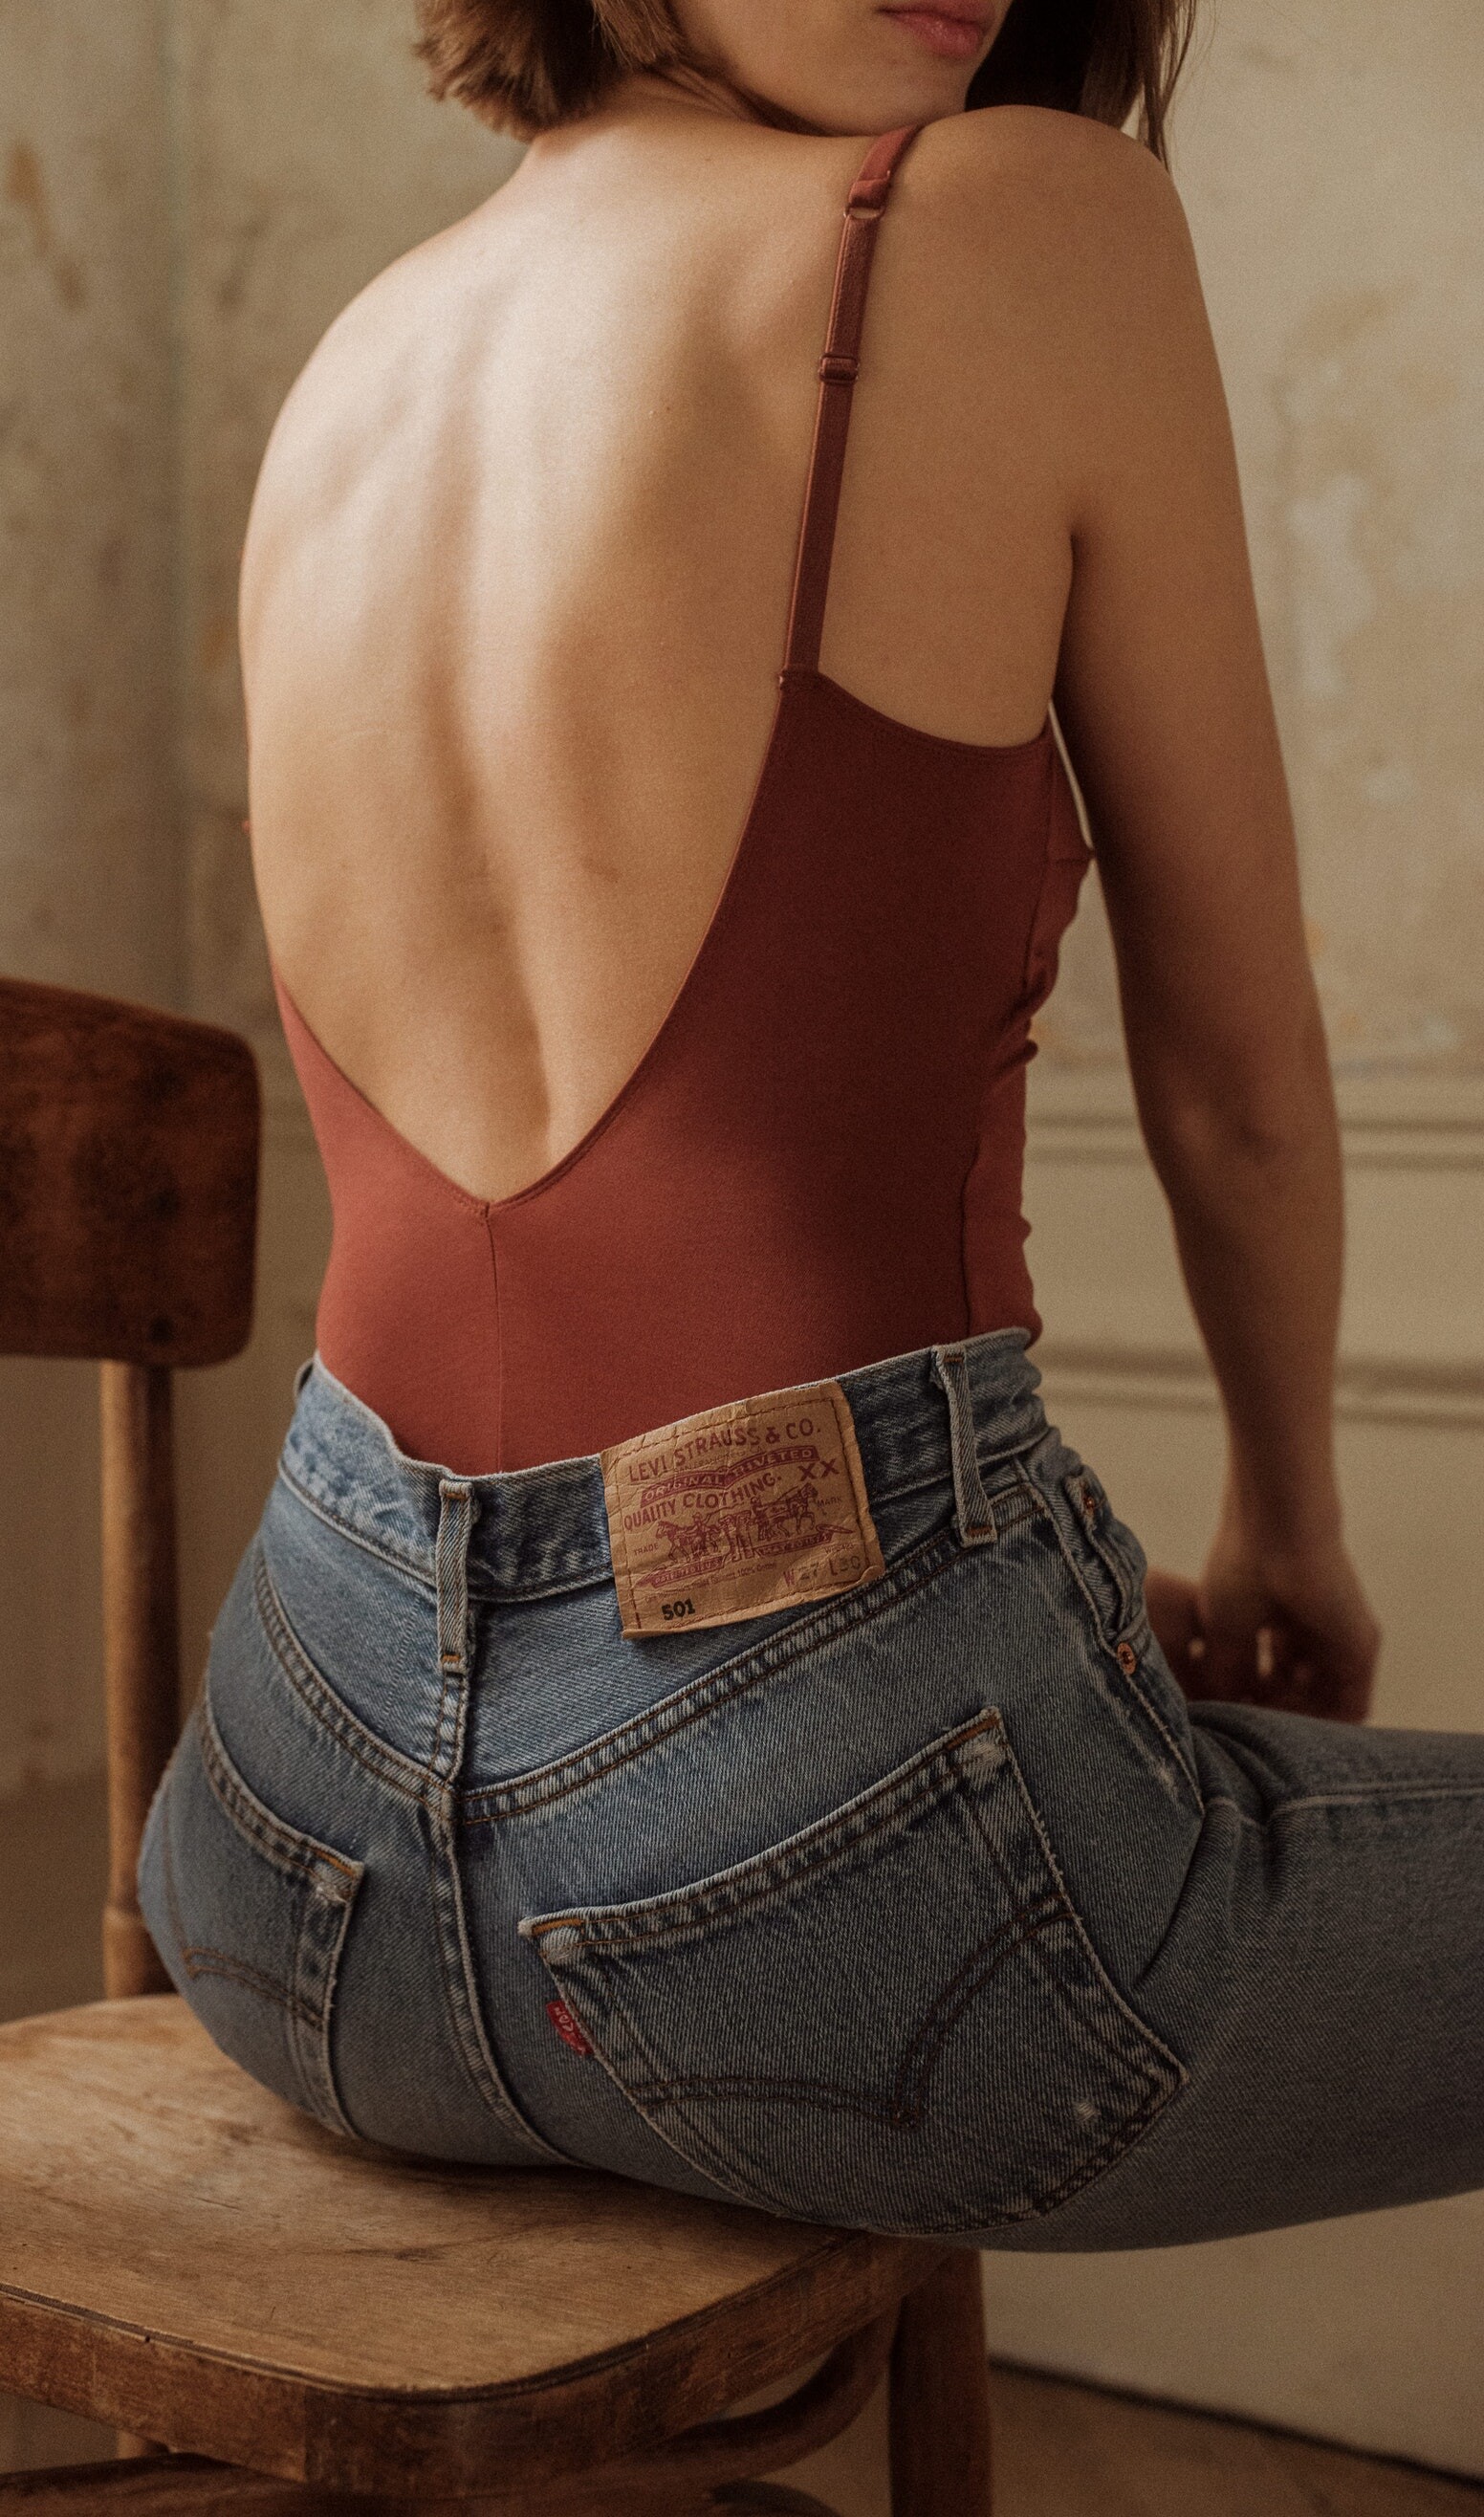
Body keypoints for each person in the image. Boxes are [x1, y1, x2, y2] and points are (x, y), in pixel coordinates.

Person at [141, 0, 1483, 2248]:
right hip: (820, 1882)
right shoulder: (1028, 218)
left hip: (288, 1887)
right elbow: (1236, 1080)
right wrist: (1285, 1522)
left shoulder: (358, 362)